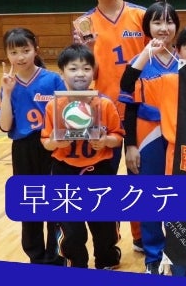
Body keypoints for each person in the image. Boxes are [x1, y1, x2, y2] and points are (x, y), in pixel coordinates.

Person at [119, 24, 186, 277]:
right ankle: (174, 262)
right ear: (178, 51)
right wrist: (145, 54)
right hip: (175, 156)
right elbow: (127, 85)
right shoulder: (168, 81)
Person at [73, 0, 148, 252]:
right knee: (103, 179)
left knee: (139, 175)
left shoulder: (141, 16)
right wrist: (86, 48)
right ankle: (109, 242)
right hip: (102, 114)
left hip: (140, 110)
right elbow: (82, 75)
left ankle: (142, 236)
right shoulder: (83, 24)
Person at [41, 44, 124, 269]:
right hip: (65, 171)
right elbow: (46, 142)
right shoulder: (54, 106)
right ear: (62, 73)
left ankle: (107, 259)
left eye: (86, 68)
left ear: (93, 72)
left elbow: (118, 137)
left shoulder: (104, 104)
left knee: (104, 225)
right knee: (71, 229)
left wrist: (106, 141)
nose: (80, 74)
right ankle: (76, 264)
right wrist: (57, 142)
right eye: (73, 68)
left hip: (99, 170)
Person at [118, 1, 181, 275]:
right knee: (150, 195)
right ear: (147, 27)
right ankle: (154, 255)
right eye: (157, 22)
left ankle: (180, 253)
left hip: (179, 136)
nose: (163, 28)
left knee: (180, 196)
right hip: (148, 136)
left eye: (169, 21)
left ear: (177, 26)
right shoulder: (140, 61)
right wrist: (130, 144)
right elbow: (128, 101)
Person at [0, 28, 66, 266]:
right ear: (7, 55)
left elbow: (67, 114)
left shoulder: (52, 80)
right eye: (14, 52)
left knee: (54, 202)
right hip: (23, 149)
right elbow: (6, 125)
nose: (20, 56)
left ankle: (55, 255)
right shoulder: (8, 84)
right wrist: (6, 93)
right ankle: (36, 256)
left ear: (36, 49)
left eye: (25, 50)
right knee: (30, 202)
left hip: (52, 145)